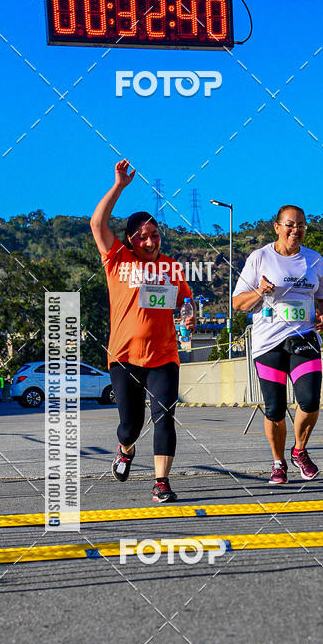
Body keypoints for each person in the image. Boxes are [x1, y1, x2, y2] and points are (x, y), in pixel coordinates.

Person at [90, 159, 196, 502]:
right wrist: (119, 185)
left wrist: (188, 314)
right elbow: (97, 222)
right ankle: (125, 448)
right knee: (131, 425)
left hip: (164, 356)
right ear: (131, 240)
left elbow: (185, 301)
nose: (151, 241)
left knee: (165, 417)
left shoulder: (170, 266)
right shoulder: (117, 259)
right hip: (123, 357)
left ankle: (162, 482)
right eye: (144, 237)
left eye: (155, 235)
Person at [232, 205, 323, 484]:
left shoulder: (314, 260)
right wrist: (259, 291)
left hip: (304, 337)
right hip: (268, 344)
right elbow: (238, 303)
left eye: (301, 225)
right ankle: (278, 463)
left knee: (310, 400)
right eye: (290, 224)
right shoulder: (260, 258)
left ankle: (299, 450)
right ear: (276, 227)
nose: (296, 230)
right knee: (275, 408)